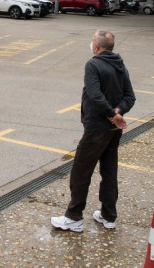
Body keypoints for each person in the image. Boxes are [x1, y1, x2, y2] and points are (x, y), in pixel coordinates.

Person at [51, 30, 135, 232]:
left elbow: (95, 95)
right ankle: (108, 215)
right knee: (109, 170)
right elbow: (129, 97)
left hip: (97, 128)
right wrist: (118, 111)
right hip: (113, 129)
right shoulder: (119, 63)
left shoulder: (93, 64)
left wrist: (112, 114)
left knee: (80, 171)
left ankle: (73, 217)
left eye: (92, 41)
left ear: (97, 47)